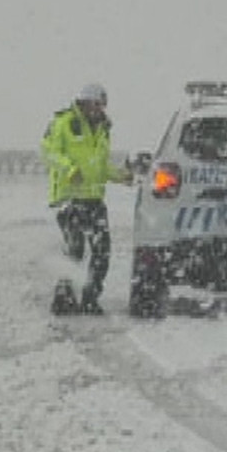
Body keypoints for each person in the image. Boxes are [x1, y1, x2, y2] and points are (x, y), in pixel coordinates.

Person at [40, 83, 133, 314]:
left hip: (93, 199)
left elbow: (98, 167)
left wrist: (121, 176)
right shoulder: (63, 123)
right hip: (68, 198)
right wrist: (69, 170)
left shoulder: (102, 129)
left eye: (103, 105)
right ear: (85, 103)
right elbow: (49, 152)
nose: (100, 109)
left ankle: (91, 297)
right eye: (97, 104)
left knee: (102, 250)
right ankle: (64, 297)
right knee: (75, 248)